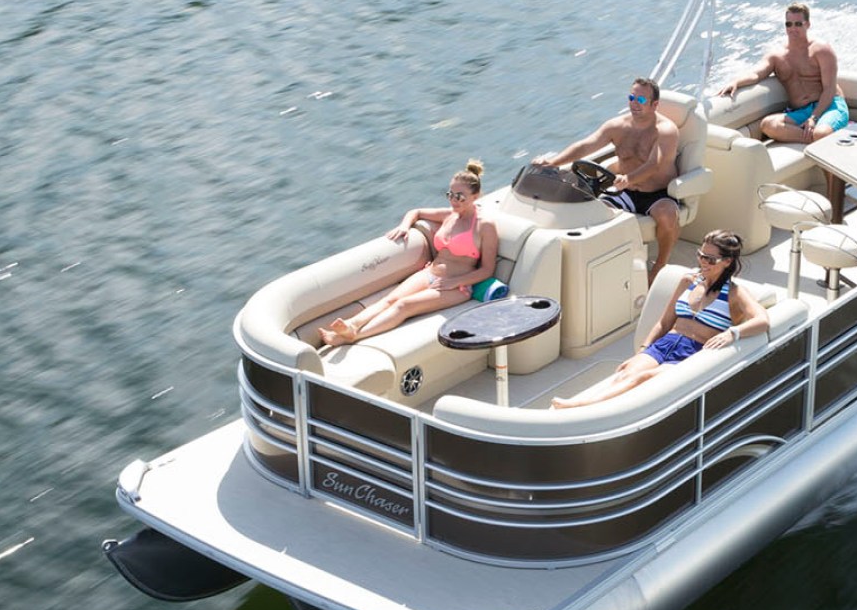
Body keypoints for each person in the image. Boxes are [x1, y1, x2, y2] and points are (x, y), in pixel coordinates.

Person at [550, 230, 767, 409]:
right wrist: (644, 349)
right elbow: (664, 323)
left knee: (643, 380)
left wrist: (732, 333)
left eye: (710, 259)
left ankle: (580, 407)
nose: (703, 261)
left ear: (727, 262)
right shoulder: (688, 281)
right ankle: (582, 406)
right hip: (665, 344)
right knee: (626, 373)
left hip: (691, 353)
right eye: (701, 255)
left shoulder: (735, 293)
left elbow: (762, 320)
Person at [318, 159, 498, 346]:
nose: (454, 201)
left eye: (460, 196)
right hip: (429, 274)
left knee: (403, 305)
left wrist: (454, 282)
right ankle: (351, 324)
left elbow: (487, 270)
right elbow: (416, 212)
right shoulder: (449, 215)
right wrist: (404, 226)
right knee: (391, 299)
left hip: (457, 287)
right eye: (450, 195)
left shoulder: (484, 226)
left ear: (476, 196)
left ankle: (352, 336)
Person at [533, 77, 680, 285]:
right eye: (631, 97)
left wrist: (628, 179)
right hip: (625, 191)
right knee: (593, 215)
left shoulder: (666, 130)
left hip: (657, 193)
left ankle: (660, 266)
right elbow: (586, 146)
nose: (634, 103)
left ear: (654, 104)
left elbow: (654, 164)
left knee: (666, 216)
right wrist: (553, 162)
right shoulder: (617, 126)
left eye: (640, 99)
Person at [717, 2, 849, 145]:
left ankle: (819, 135)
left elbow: (829, 89)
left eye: (798, 24)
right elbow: (756, 74)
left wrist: (813, 118)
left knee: (820, 133)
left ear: (808, 24)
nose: (793, 29)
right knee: (768, 125)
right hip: (800, 111)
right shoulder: (777, 55)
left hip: (830, 106)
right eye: (789, 24)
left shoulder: (821, 50)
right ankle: (815, 138)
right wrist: (736, 82)